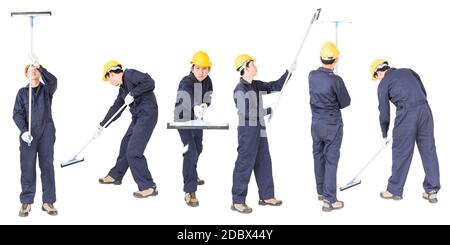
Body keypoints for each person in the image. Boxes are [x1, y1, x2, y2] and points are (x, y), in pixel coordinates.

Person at [231, 54, 296, 214]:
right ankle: (237, 201)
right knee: (244, 164)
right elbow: (247, 112)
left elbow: (276, 86)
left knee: (263, 161)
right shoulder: (240, 89)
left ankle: (266, 196)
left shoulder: (256, 85)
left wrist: (289, 72)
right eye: (253, 64)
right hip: (247, 131)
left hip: (259, 129)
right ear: (245, 67)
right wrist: (268, 110)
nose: (256, 66)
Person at [370, 59, 440, 203]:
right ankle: (432, 190)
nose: (377, 81)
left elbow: (384, 112)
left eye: (376, 78)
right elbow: (423, 91)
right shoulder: (408, 71)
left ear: (378, 73)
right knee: (429, 150)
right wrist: (419, 108)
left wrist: (384, 134)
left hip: (407, 113)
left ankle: (394, 190)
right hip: (425, 110)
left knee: (401, 151)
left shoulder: (384, 83)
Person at [97, 60, 159, 198]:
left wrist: (133, 93)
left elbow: (150, 82)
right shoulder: (122, 89)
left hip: (148, 114)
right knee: (126, 144)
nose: (109, 83)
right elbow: (116, 109)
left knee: (133, 151)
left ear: (112, 74)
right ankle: (115, 175)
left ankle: (148, 186)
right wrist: (102, 125)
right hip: (138, 117)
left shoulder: (130, 74)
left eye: (108, 79)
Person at [13, 53, 58, 217]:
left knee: (47, 166)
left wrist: (39, 66)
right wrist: (24, 131)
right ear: (25, 74)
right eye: (30, 70)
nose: (33, 71)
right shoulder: (22, 93)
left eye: (35, 70)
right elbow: (17, 114)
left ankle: (48, 202)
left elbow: (53, 81)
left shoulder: (47, 90)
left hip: (46, 133)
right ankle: (26, 202)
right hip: (28, 136)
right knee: (27, 168)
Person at [308, 42, 351, 212]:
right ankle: (329, 200)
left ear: (320, 58)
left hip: (316, 124)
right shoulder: (336, 80)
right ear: (336, 59)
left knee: (318, 156)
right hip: (332, 124)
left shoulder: (311, 75)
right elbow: (346, 103)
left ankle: (321, 191)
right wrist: (335, 80)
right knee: (331, 160)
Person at [173, 51, 213, 207]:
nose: (201, 72)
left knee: (198, 148)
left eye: (205, 68)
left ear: (209, 69)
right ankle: (190, 190)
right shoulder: (186, 81)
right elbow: (186, 94)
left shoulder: (208, 81)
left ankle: (192, 172)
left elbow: (208, 97)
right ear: (192, 68)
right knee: (190, 150)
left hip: (197, 120)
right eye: (198, 68)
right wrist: (195, 105)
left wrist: (204, 105)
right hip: (182, 120)